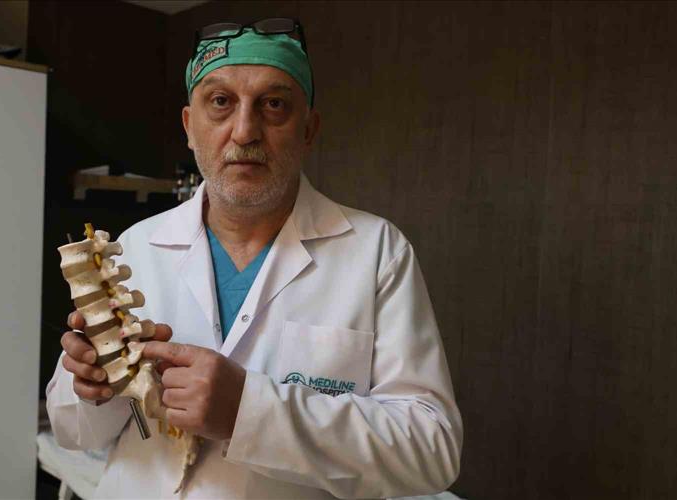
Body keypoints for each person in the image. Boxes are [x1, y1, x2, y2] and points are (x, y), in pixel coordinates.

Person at [46, 18, 463, 499]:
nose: (245, 131)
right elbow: (73, 432)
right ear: (189, 127)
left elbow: (432, 451)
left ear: (309, 130)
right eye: (221, 102)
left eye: (274, 105)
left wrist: (249, 412)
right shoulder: (136, 247)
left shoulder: (376, 253)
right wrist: (91, 388)